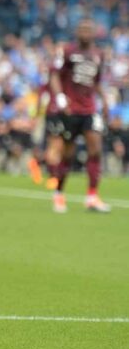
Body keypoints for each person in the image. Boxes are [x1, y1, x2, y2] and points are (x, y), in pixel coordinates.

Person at [49, 19, 110, 213]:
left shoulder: (99, 54)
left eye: (88, 29)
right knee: (68, 154)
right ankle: (59, 193)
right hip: (70, 110)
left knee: (96, 150)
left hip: (89, 109)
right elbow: (54, 75)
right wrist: (60, 98)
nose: (85, 32)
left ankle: (92, 196)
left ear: (94, 33)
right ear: (76, 32)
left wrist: (105, 100)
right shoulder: (67, 51)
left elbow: (97, 82)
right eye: (82, 29)